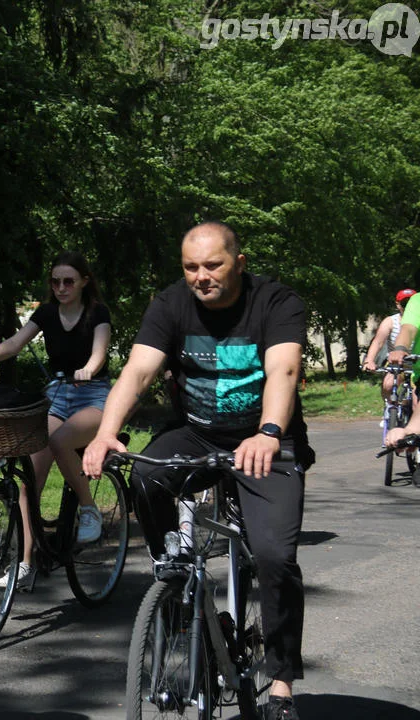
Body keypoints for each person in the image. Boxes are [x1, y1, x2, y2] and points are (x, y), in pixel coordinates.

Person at [82, 222, 311, 720]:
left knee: (273, 555)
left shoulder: (276, 302)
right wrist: (106, 432)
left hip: (266, 441)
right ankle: (179, 576)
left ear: (240, 262)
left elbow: (283, 371)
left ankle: (281, 682)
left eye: (213, 265)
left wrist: (269, 432)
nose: (201, 277)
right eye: (191, 267)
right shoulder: (170, 305)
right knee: (145, 475)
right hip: (198, 431)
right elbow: (138, 371)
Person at [0, 250, 112, 589]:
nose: (61, 287)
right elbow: (15, 343)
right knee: (30, 478)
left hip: (94, 394)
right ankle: (25, 562)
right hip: (58, 395)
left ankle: (89, 509)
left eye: (68, 281)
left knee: (60, 441)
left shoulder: (96, 312)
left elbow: (100, 349)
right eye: (55, 281)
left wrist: (90, 368)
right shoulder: (46, 313)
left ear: (84, 282)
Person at [362, 288, 417, 401]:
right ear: (398, 305)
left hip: (418, 363)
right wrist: (369, 361)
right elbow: (378, 342)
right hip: (397, 363)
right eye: (404, 303)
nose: (407, 306)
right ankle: (390, 412)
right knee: (388, 385)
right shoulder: (390, 321)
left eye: (411, 303)